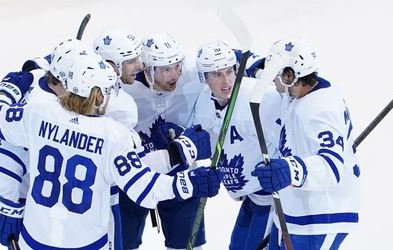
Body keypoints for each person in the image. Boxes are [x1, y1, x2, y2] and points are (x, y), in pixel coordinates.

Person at [0, 51, 223, 249]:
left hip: (35, 240)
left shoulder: (38, 114)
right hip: (88, 243)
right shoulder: (113, 136)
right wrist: (190, 182)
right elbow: (144, 189)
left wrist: (8, 90)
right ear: (97, 95)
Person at [251, 38, 360, 249]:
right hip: (294, 206)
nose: (271, 79)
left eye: (275, 73)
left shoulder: (321, 111)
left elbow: (332, 166)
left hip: (321, 215)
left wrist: (290, 169)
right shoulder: (299, 89)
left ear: (290, 77)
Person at [115, 32, 207, 250]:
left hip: (180, 174)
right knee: (122, 245)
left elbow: (230, 61)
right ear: (147, 69)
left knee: (187, 247)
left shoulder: (192, 77)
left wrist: (255, 67)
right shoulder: (122, 89)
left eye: (177, 66)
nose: (174, 74)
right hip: (135, 177)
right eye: (166, 69)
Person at [191, 40, 281, 250]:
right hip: (251, 197)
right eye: (216, 74)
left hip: (272, 198)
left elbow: (290, 138)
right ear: (203, 77)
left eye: (229, 71)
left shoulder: (260, 98)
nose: (226, 81)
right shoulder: (204, 101)